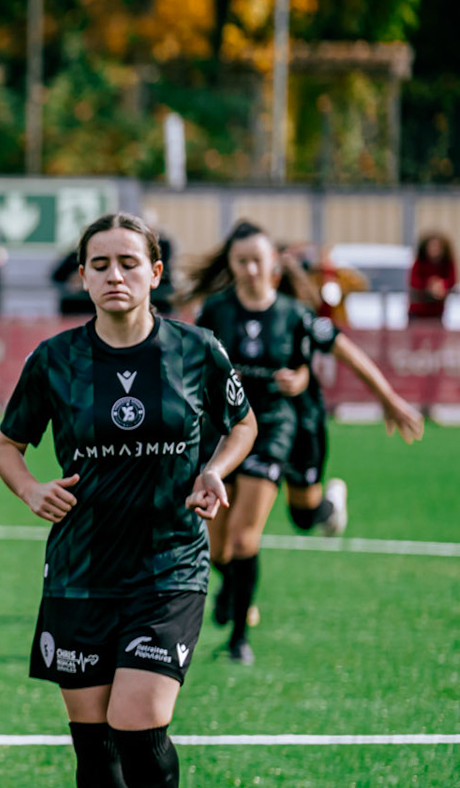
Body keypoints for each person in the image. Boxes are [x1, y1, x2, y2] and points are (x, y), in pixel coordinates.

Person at [0, 212, 256, 788]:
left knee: (137, 722)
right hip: (80, 574)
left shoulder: (196, 350)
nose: (115, 275)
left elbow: (243, 423)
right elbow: (8, 445)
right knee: (92, 744)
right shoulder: (55, 359)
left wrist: (215, 469)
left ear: (155, 273)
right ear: (82, 275)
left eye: (129, 263)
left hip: (170, 565)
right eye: (100, 264)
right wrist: (30, 489)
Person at [182, 221, 383, 662]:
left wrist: (389, 401)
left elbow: (339, 350)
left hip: (274, 427)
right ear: (231, 264)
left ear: (274, 262)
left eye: (258, 260)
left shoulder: (294, 313)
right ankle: (235, 592)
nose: (251, 269)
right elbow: (193, 363)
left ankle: (239, 641)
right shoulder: (215, 310)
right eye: (241, 261)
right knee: (216, 548)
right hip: (223, 430)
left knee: (245, 539)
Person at [275, 248, 423, 538]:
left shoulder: (301, 317)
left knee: (304, 517)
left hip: (301, 419)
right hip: (256, 420)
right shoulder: (229, 312)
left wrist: (389, 399)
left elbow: (352, 356)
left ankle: (331, 503)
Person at [409, 231, 455, 322]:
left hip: (437, 312)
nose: (434, 250)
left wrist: (442, 285)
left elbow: (451, 281)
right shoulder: (419, 263)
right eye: (432, 246)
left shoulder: (447, 264)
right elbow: (413, 282)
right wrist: (429, 284)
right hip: (418, 311)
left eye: (437, 247)